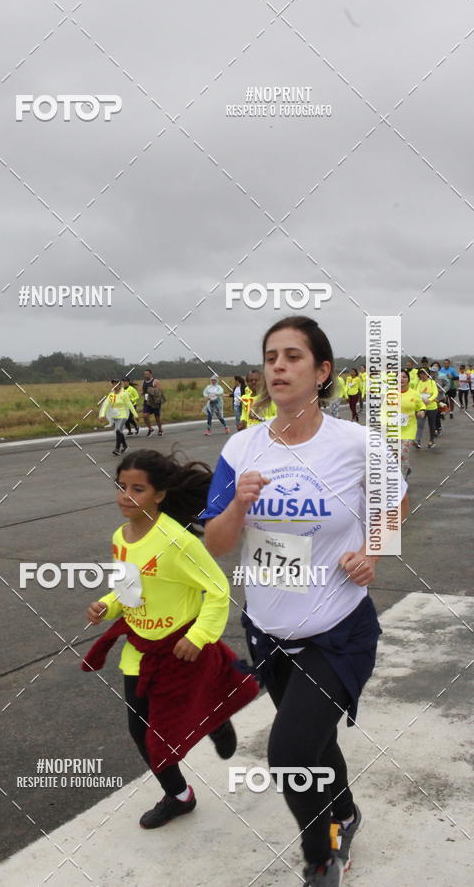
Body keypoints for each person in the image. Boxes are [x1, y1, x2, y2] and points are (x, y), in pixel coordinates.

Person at [202, 315, 408, 886]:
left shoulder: (356, 443)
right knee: (313, 738)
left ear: (321, 372)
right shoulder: (241, 447)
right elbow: (215, 544)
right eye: (271, 357)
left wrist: (373, 551)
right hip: (268, 629)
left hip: (338, 629)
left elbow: (396, 505)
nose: (278, 367)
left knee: (290, 752)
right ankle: (345, 810)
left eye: (293, 357)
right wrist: (238, 508)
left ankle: (321, 855)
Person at [83, 450, 259, 829]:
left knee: (166, 722)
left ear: (159, 495)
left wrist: (198, 637)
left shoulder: (176, 541)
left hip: (180, 651)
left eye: (138, 489)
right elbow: (130, 590)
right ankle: (179, 796)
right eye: (121, 486)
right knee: (140, 730)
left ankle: (215, 717)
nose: (125, 496)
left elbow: (217, 589)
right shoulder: (121, 537)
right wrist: (107, 605)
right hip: (141, 650)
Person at [395, 370, 426, 478]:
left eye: (404, 377)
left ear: (408, 379)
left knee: (403, 454)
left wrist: (421, 411)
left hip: (409, 428)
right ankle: (406, 469)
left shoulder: (414, 393)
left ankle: (401, 481)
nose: (401, 379)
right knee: (394, 456)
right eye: (399, 377)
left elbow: (421, 405)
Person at [99, 381, 138, 455]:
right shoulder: (111, 395)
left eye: (116, 384)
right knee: (119, 432)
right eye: (113, 384)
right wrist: (102, 415)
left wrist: (135, 415)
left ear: (120, 386)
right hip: (115, 416)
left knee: (118, 431)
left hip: (123, 416)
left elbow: (130, 405)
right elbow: (105, 405)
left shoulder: (123, 395)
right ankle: (125, 446)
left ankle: (117, 449)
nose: (114, 386)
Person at [414, 369, 438, 450]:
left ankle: (431, 441)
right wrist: (421, 400)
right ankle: (418, 441)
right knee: (420, 424)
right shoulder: (418, 382)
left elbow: (435, 393)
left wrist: (429, 400)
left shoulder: (432, 382)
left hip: (432, 407)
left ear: (428, 374)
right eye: (421, 374)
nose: (422, 375)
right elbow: (416, 393)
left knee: (431, 425)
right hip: (421, 407)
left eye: (424, 374)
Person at [141, 369, 164, 436]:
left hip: (155, 402)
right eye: (145, 374)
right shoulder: (143, 382)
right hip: (147, 401)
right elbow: (143, 391)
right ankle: (150, 429)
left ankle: (160, 429)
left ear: (151, 374)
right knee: (145, 416)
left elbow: (160, 391)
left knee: (157, 417)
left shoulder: (155, 381)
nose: (146, 375)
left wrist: (151, 391)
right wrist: (143, 393)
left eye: (147, 374)